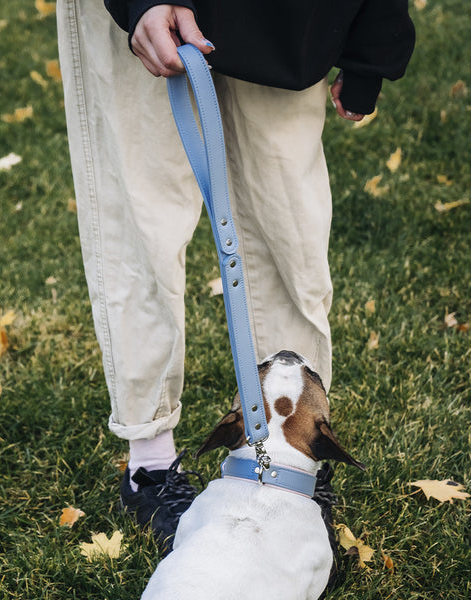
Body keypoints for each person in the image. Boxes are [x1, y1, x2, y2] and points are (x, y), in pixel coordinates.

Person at [56, 1, 415, 553]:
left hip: (285, 20)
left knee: (288, 228)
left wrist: (373, 44)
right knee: (141, 224)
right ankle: (149, 464)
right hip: (140, 18)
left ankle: (290, 452)